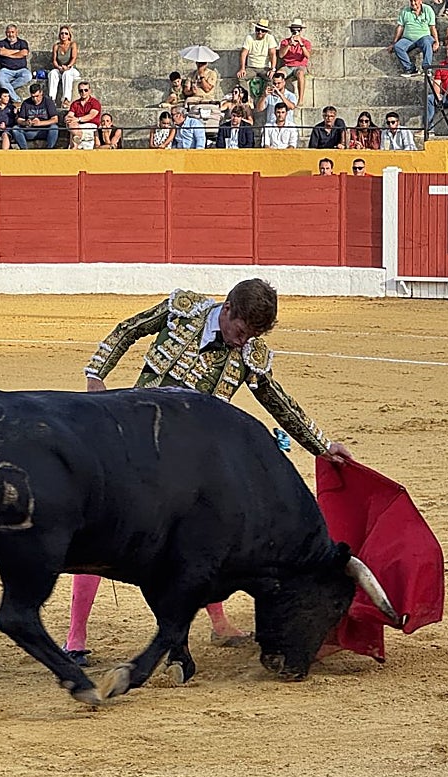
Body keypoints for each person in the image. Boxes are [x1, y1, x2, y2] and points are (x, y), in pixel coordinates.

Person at [63, 280, 355, 664]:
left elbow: (278, 401)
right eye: (240, 331)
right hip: (137, 445)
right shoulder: (183, 311)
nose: (242, 342)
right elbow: (128, 329)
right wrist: (96, 374)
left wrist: (321, 444)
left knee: (212, 535)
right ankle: (75, 637)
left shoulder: (250, 353)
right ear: (228, 309)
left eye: (252, 336)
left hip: (193, 468)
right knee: (106, 530)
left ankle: (219, 624)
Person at [391, 0, 439, 76]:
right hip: (408, 39)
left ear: (420, 1)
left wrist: (436, 41)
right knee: (398, 47)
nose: (413, 3)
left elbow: (432, 27)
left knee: (426, 42)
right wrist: (394, 42)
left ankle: (427, 69)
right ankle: (410, 69)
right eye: (411, 1)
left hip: (424, 37)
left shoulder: (428, 9)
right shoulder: (405, 11)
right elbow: (400, 27)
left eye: (415, 1)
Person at [239, 18, 277, 100]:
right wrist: (242, 68)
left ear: (266, 32)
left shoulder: (270, 38)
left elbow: (273, 54)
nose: (260, 32)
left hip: (265, 67)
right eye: (258, 29)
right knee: (241, 77)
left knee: (272, 78)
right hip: (251, 67)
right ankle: (247, 98)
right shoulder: (249, 37)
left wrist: (273, 69)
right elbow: (243, 53)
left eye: (262, 30)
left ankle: (265, 99)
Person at [16, 82, 60, 149]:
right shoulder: (26, 103)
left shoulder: (48, 102)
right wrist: (26, 122)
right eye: (33, 97)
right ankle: (24, 150)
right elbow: (19, 120)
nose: (35, 99)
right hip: (30, 130)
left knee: (54, 128)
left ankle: (49, 150)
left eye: (37, 96)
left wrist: (40, 123)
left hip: (45, 130)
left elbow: (55, 119)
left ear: (41, 93)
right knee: (15, 129)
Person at [278, 18, 312, 104]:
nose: (295, 32)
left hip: (300, 66)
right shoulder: (285, 42)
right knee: (278, 75)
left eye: (297, 30)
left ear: (300, 31)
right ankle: (278, 96)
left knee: (300, 74)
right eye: (293, 30)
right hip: (288, 66)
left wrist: (301, 44)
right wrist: (289, 45)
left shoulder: (306, 42)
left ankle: (300, 100)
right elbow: (281, 55)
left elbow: (307, 56)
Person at [0, 24, 32, 102]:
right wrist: (17, 52)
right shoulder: (1, 42)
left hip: (21, 69)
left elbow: (24, 53)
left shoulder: (22, 42)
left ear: (16, 32)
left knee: (28, 76)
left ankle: (6, 88)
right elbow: (1, 52)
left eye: (12, 32)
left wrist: (8, 53)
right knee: (0, 79)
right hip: (6, 70)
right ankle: (16, 99)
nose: (11, 34)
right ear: (6, 33)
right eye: (9, 32)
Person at [48, 25, 80, 108]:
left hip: (70, 69)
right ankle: (52, 99)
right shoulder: (56, 46)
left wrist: (68, 67)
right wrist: (59, 67)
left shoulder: (73, 45)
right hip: (60, 68)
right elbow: (54, 60)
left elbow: (73, 58)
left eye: (66, 33)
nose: (64, 35)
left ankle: (66, 99)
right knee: (52, 73)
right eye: (62, 33)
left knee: (67, 74)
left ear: (69, 35)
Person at [66, 81, 102, 149]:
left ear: (89, 91)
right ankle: (78, 136)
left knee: (73, 129)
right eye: (81, 90)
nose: (83, 92)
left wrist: (77, 119)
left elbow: (91, 116)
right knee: (70, 124)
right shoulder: (75, 103)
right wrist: (68, 118)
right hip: (77, 125)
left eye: (86, 90)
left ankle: (76, 141)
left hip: (90, 124)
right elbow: (70, 115)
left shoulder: (95, 103)